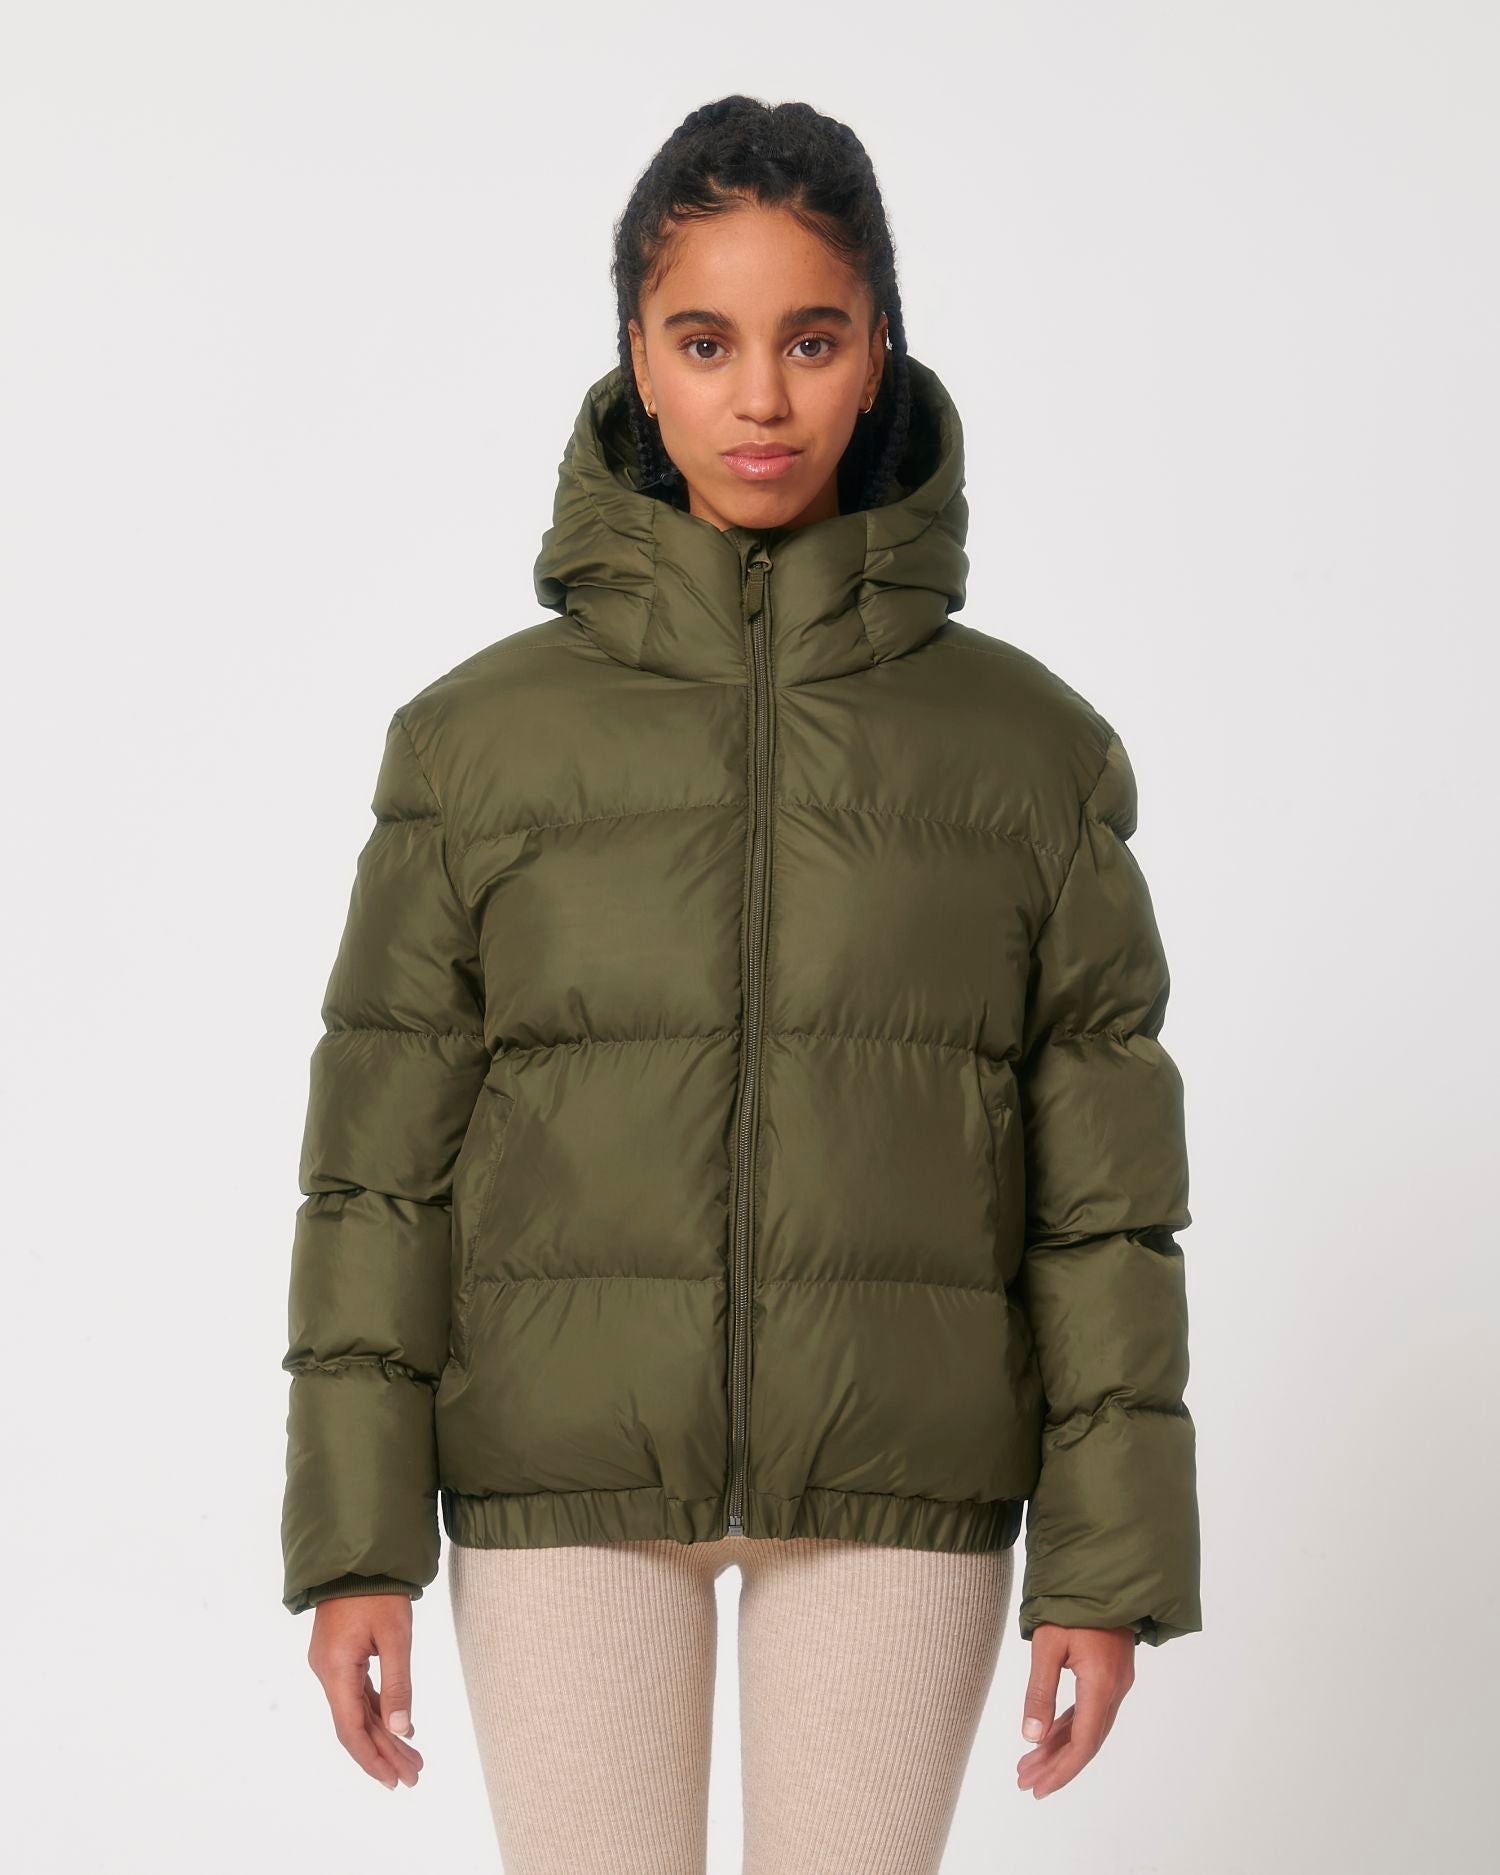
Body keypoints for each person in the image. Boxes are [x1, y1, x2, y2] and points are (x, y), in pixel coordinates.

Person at [279, 94, 1200, 1873]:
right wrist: (356, 1541)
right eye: (705, 342)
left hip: (899, 1483)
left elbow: (1105, 1208)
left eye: (812, 339)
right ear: (636, 355)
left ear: (879, 353)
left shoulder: (1033, 757)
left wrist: (1108, 1565)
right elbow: (379, 1170)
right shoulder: (474, 745)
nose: (760, 398)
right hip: (561, 1478)